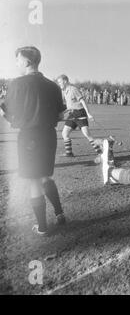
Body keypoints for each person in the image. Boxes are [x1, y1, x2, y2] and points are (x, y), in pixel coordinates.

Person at [0, 46, 66, 235]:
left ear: (27, 61)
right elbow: (61, 115)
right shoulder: (53, 85)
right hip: (48, 136)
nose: (17, 63)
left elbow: (7, 113)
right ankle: (60, 213)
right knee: (46, 176)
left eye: (18, 59)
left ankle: (43, 227)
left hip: (29, 136)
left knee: (34, 181)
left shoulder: (17, 84)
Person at [57, 75, 102, 159]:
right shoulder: (64, 91)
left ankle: (100, 153)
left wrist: (88, 114)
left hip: (80, 113)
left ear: (65, 81)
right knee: (64, 133)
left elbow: (83, 101)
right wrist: (62, 113)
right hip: (72, 114)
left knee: (87, 134)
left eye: (60, 82)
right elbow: (70, 106)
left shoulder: (73, 89)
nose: (59, 84)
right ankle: (69, 153)